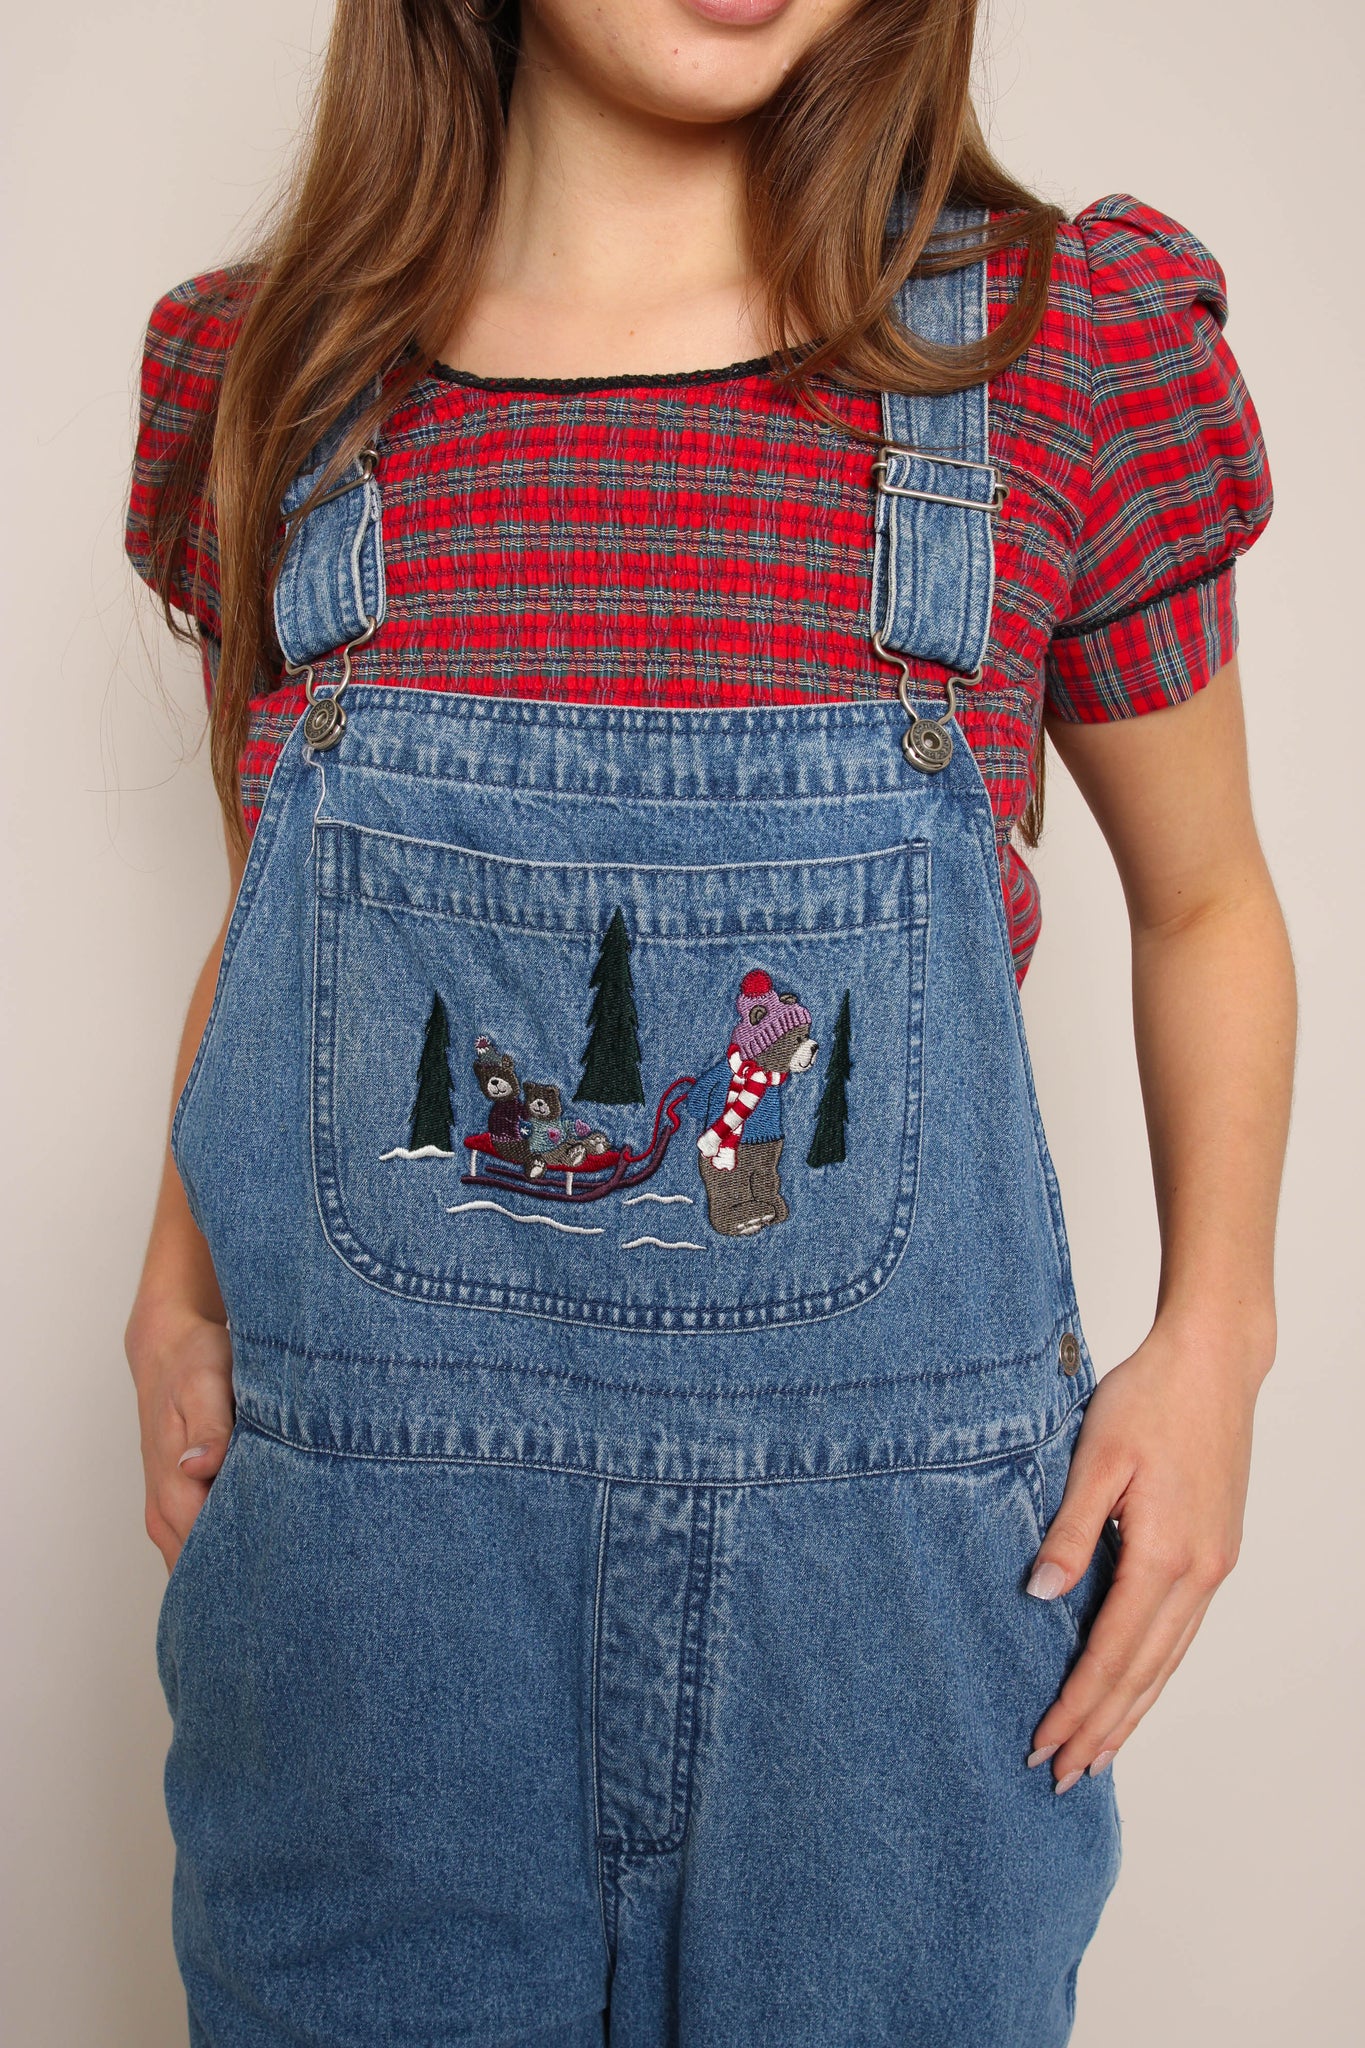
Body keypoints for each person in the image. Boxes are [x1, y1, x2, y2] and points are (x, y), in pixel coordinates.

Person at [122, 2, 1295, 2042]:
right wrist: (174, 1282)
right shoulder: (273, 382)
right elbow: (286, 919)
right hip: (371, 1628)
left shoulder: (1053, 359)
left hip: (886, 1665)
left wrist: (1217, 1345)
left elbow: (1204, 902)